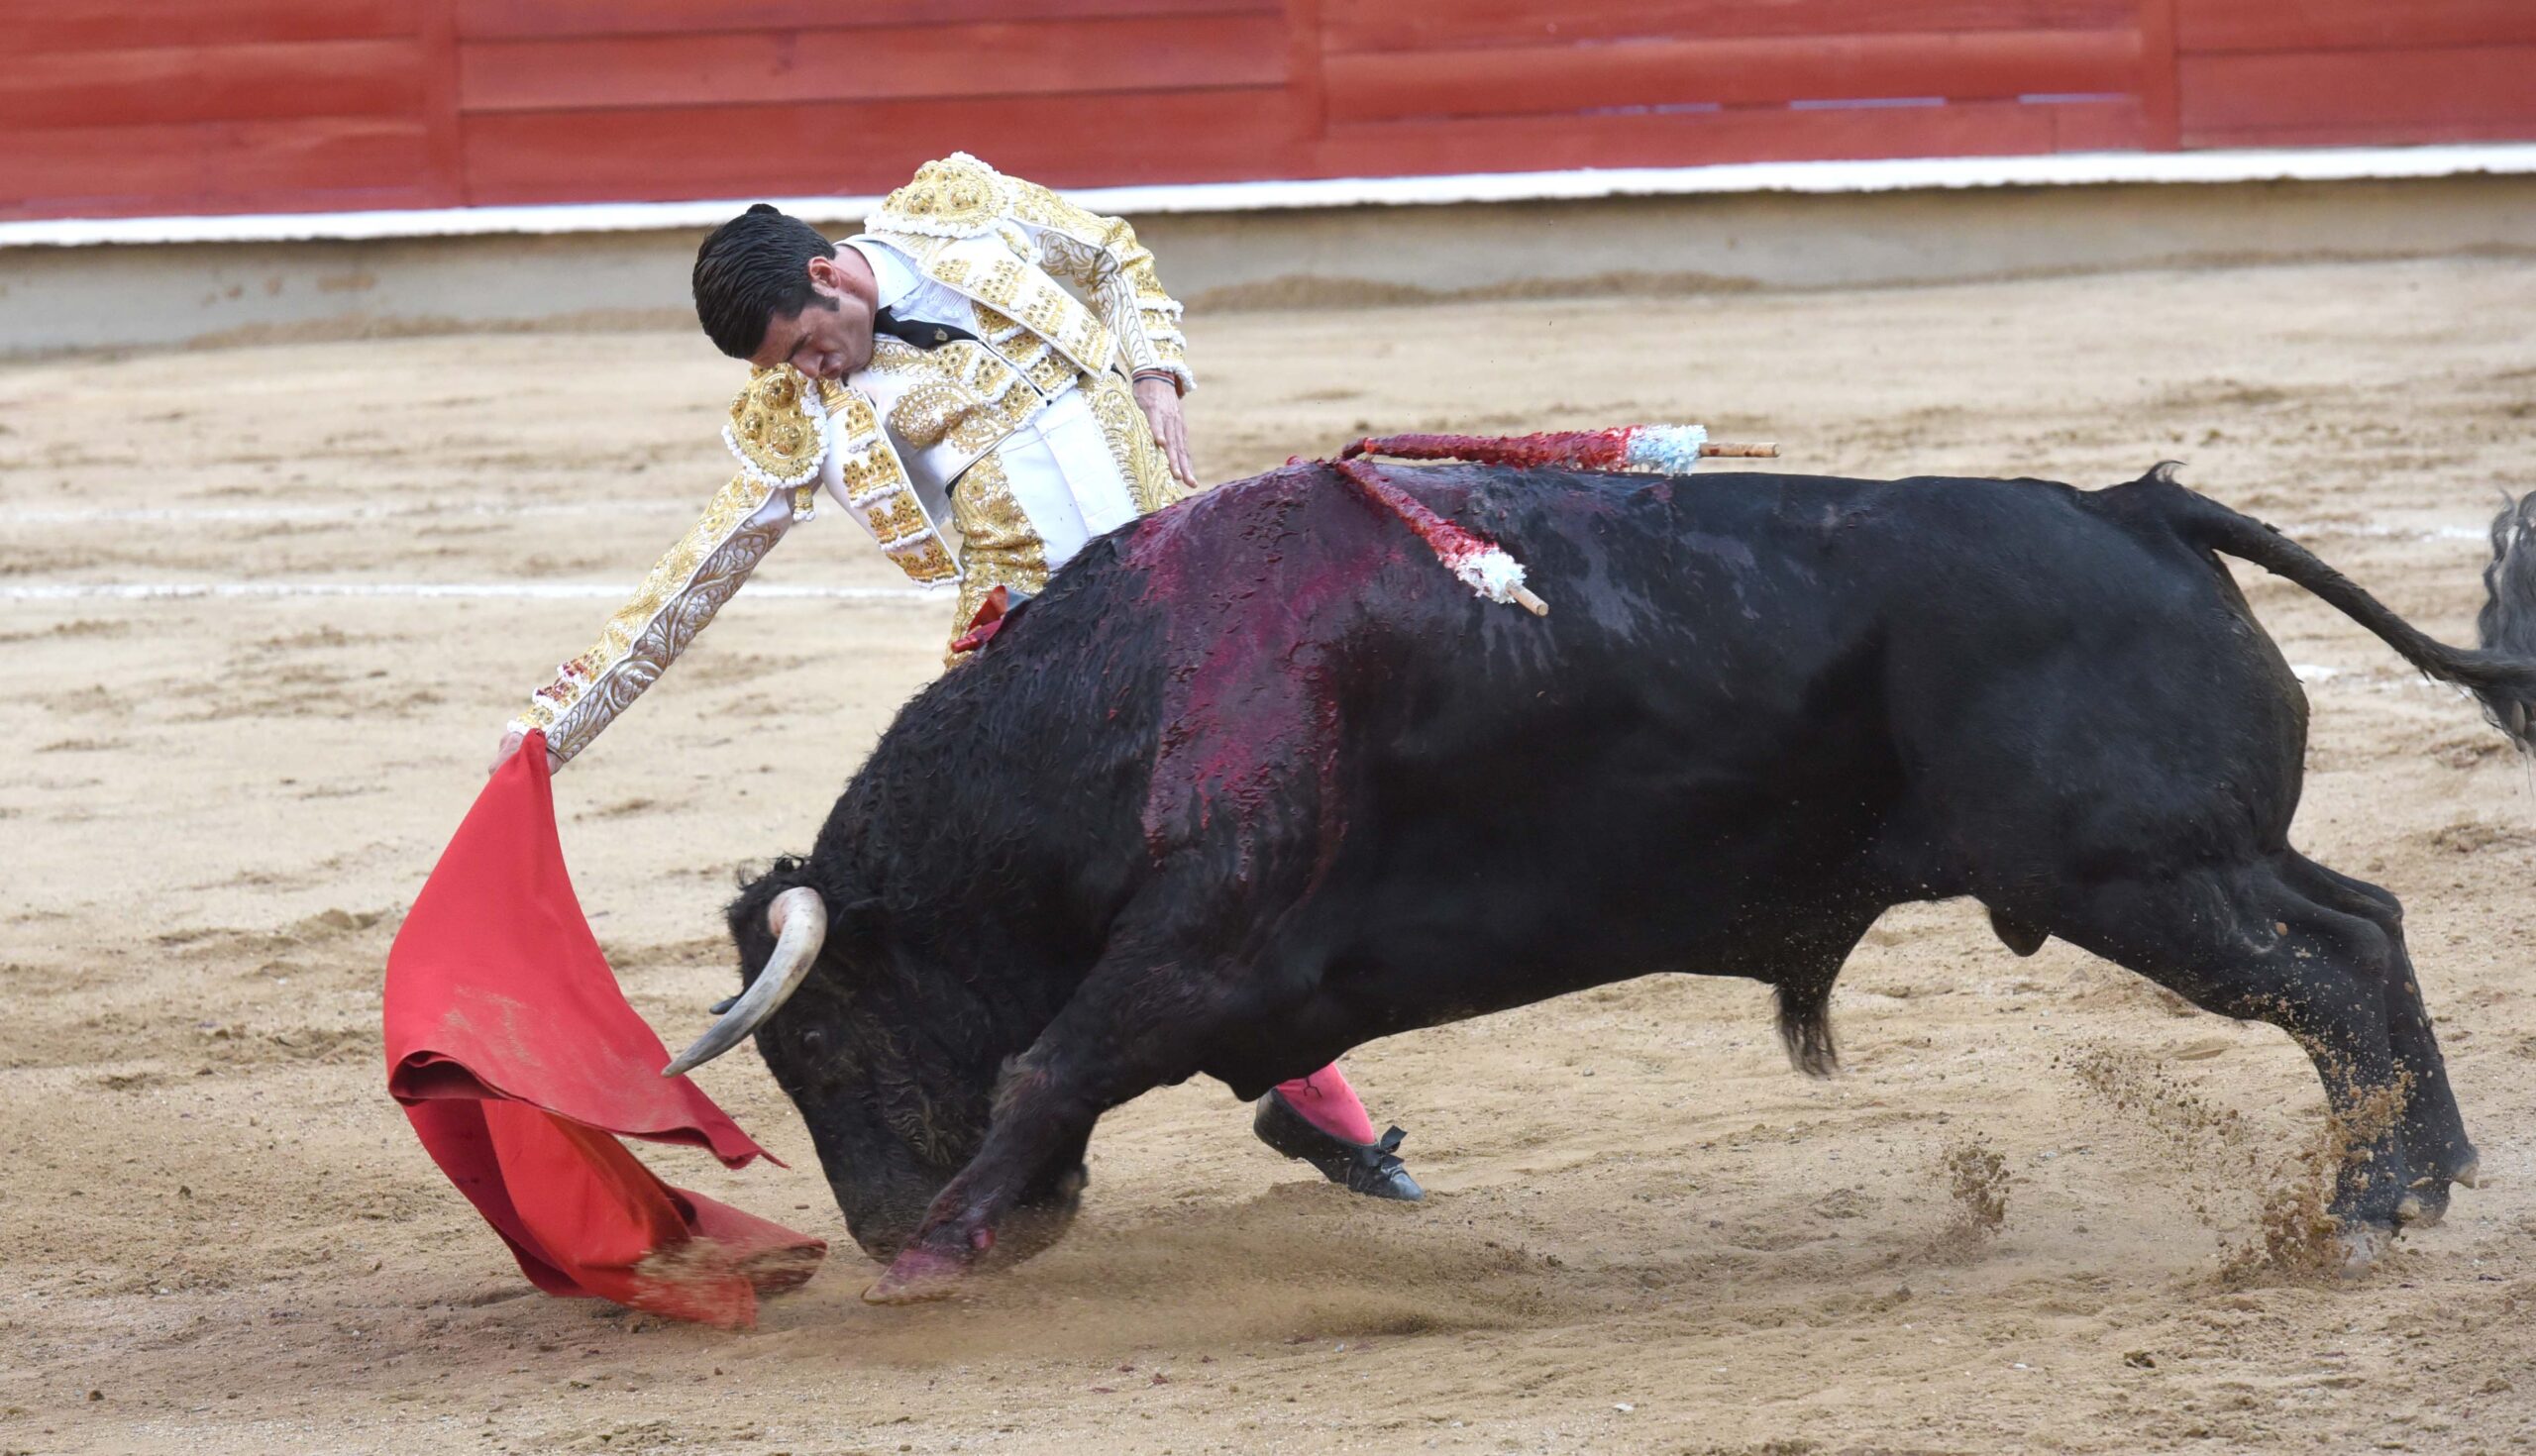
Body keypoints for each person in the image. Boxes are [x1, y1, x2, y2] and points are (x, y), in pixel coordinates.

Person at [490, 153, 1422, 1201]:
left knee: (1278, 830)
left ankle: (1267, 1100)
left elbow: (1110, 253)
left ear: (828, 273)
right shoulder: (800, 415)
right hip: (1041, 663)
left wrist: (1156, 373)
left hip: (1193, 596)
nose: (813, 372)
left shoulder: (957, 211)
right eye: (787, 366)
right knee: (1123, 885)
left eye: (807, 344)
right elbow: (694, 577)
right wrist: (550, 725)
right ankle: (1003, 1144)